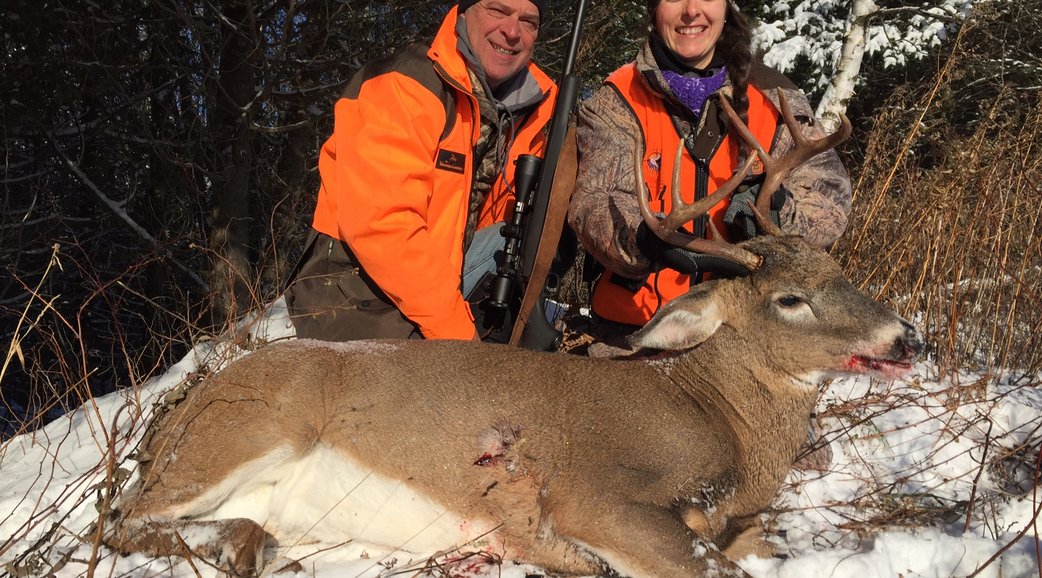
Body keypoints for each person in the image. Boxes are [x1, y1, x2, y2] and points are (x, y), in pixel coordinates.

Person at [568, 0, 852, 336]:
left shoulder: (776, 98)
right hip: (636, 331)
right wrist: (646, 238)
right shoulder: (618, 99)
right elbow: (595, 202)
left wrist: (777, 211)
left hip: (743, 335)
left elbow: (830, 203)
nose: (691, 11)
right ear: (654, 10)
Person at [285, 0, 555, 342]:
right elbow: (384, 226)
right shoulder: (405, 82)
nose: (512, 31)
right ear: (464, 12)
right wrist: (457, 335)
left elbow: (501, 224)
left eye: (528, 22)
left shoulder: (530, 111)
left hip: (442, 279)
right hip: (356, 288)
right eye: (498, 11)